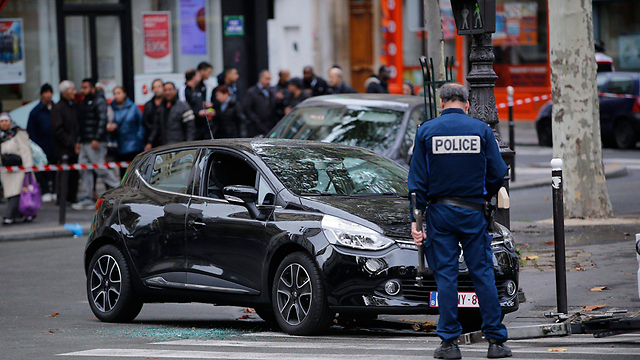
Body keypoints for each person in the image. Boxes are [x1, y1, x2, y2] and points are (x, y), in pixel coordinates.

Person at [408, 83, 511, 359]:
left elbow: (417, 183)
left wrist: (416, 221)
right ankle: (496, 341)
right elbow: (499, 172)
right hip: (473, 211)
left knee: (446, 276)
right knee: (482, 274)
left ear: (442, 103)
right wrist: (484, 196)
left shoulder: (426, 131)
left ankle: (449, 343)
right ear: (466, 104)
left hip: (440, 212)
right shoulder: (481, 130)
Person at [73, 79, 120, 210]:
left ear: (93, 88)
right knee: (84, 169)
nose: (82, 90)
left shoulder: (99, 101)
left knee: (100, 168)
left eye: (85, 87)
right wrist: (78, 140)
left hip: (95, 142)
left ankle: (120, 189)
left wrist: (97, 138)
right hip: (84, 141)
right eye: (82, 87)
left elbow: (102, 120)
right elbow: (81, 124)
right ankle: (87, 197)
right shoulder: (84, 102)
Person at [1, 112, 34, 224]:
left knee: (17, 192)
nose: (4, 123)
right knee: (11, 194)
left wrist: (28, 168)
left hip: (19, 169)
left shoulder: (18, 133)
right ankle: (23, 214)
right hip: (6, 170)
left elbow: (25, 151)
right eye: (1, 121)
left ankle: (8, 215)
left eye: (6, 121)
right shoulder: (1, 136)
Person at [50, 80, 80, 205]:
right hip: (63, 148)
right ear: (65, 92)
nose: (74, 92)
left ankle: (72, 197)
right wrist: (71, 143)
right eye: (72, 89)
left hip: (74, 147)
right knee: (63, 174)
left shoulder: (72, 106)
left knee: (74, 174)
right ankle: (62, 198)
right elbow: (58, 130)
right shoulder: (58, 108)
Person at [27, 83, 56, 202]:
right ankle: (45, 190)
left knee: (55, 169)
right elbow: (31, 130)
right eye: (46, 92)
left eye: (50, 92)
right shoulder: (36, 111)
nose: (48, 95)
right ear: (42, 94)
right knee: (41, 171)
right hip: (41, 146)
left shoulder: (55, 108)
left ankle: (55, 190)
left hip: (54, 145)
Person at [108, 86, 145, 178]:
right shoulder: (110, 109)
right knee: (122, 174)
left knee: (133, 173)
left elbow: (141, 124)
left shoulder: (133, 107)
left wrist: (138, 139)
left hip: (133, 145)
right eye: (115, 94)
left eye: (119, 93)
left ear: (124, 94)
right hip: (118, 145)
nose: (116, 96)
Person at [179, 68, 212, 140]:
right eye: (198, 75)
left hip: (201, 124)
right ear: (193, 77)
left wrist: (207, 108)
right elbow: (183, 106)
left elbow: (200, 103)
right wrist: (197, 112)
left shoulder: (198, 89)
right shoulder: (183, 89)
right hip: (190, 123)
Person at [243, 70, 277, 137]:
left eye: (270, 79)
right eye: (267, 79)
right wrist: (256, 119)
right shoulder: (252, 92)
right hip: (256, 127)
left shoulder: (271, 91)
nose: (268, 82)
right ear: (261, 78)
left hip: (269, 125)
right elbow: (247, 108)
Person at [143, 79, 164, 151]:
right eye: (154, 87)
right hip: (152, 140)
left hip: (165, 138)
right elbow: (145, 122)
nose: (157, 89)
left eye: (159, 86)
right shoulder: (148, 105)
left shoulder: (167, 104)